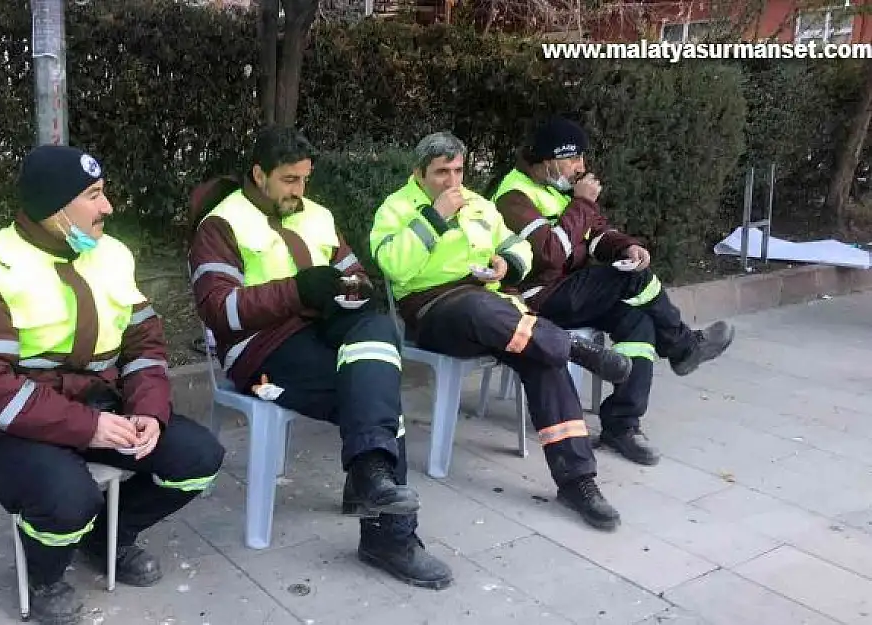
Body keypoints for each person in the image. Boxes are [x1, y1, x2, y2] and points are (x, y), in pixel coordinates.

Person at [0, 145, 225, 625]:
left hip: (101, 407)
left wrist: (149, 411)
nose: (108, 207)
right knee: (70, 498)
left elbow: (144, 342)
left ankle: (106, 539)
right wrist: (87, 427)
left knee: (199, 458)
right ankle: (46, 578)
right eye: (94, 195)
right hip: (6, 427)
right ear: (54, 208)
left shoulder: (110, 254)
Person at [187, 125, 453, 589]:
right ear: (259, 174)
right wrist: (297, 291)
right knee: (378, 390)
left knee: (377, 333)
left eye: (305, 180)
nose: (300, 191)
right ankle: (385, 529)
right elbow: (219, 310)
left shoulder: (316, 215)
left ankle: (371, 482)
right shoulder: (219, 226)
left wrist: (355, 291)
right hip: (261, 352)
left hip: (325, 329)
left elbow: (353, 271)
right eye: (290, 180)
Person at [370, 131, 634, 530]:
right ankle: (573, 347)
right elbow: (394, 265)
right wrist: (434, 217)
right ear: (419, 173)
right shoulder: (396, 207)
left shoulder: (478, 204)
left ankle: (577, 480)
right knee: (489, 312)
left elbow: (520, 247)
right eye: (442, 172)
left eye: (458, 170)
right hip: (431, 309)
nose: (453, 181)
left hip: (496, 308)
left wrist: (506, 265)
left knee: (542, 357)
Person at [487, 116, 735, 467]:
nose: (581, 167)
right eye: (574, 159)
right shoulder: (513, 197)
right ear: (548, 161)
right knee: (630, 280)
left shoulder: (561, 192)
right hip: (535, 299)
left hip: (571, 291)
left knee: (637, 322)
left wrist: (627, 248)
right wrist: (583, 204)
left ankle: (622, 425)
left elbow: (597, 235)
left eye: (582, 159)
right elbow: (548, 254)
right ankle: (683, 345)